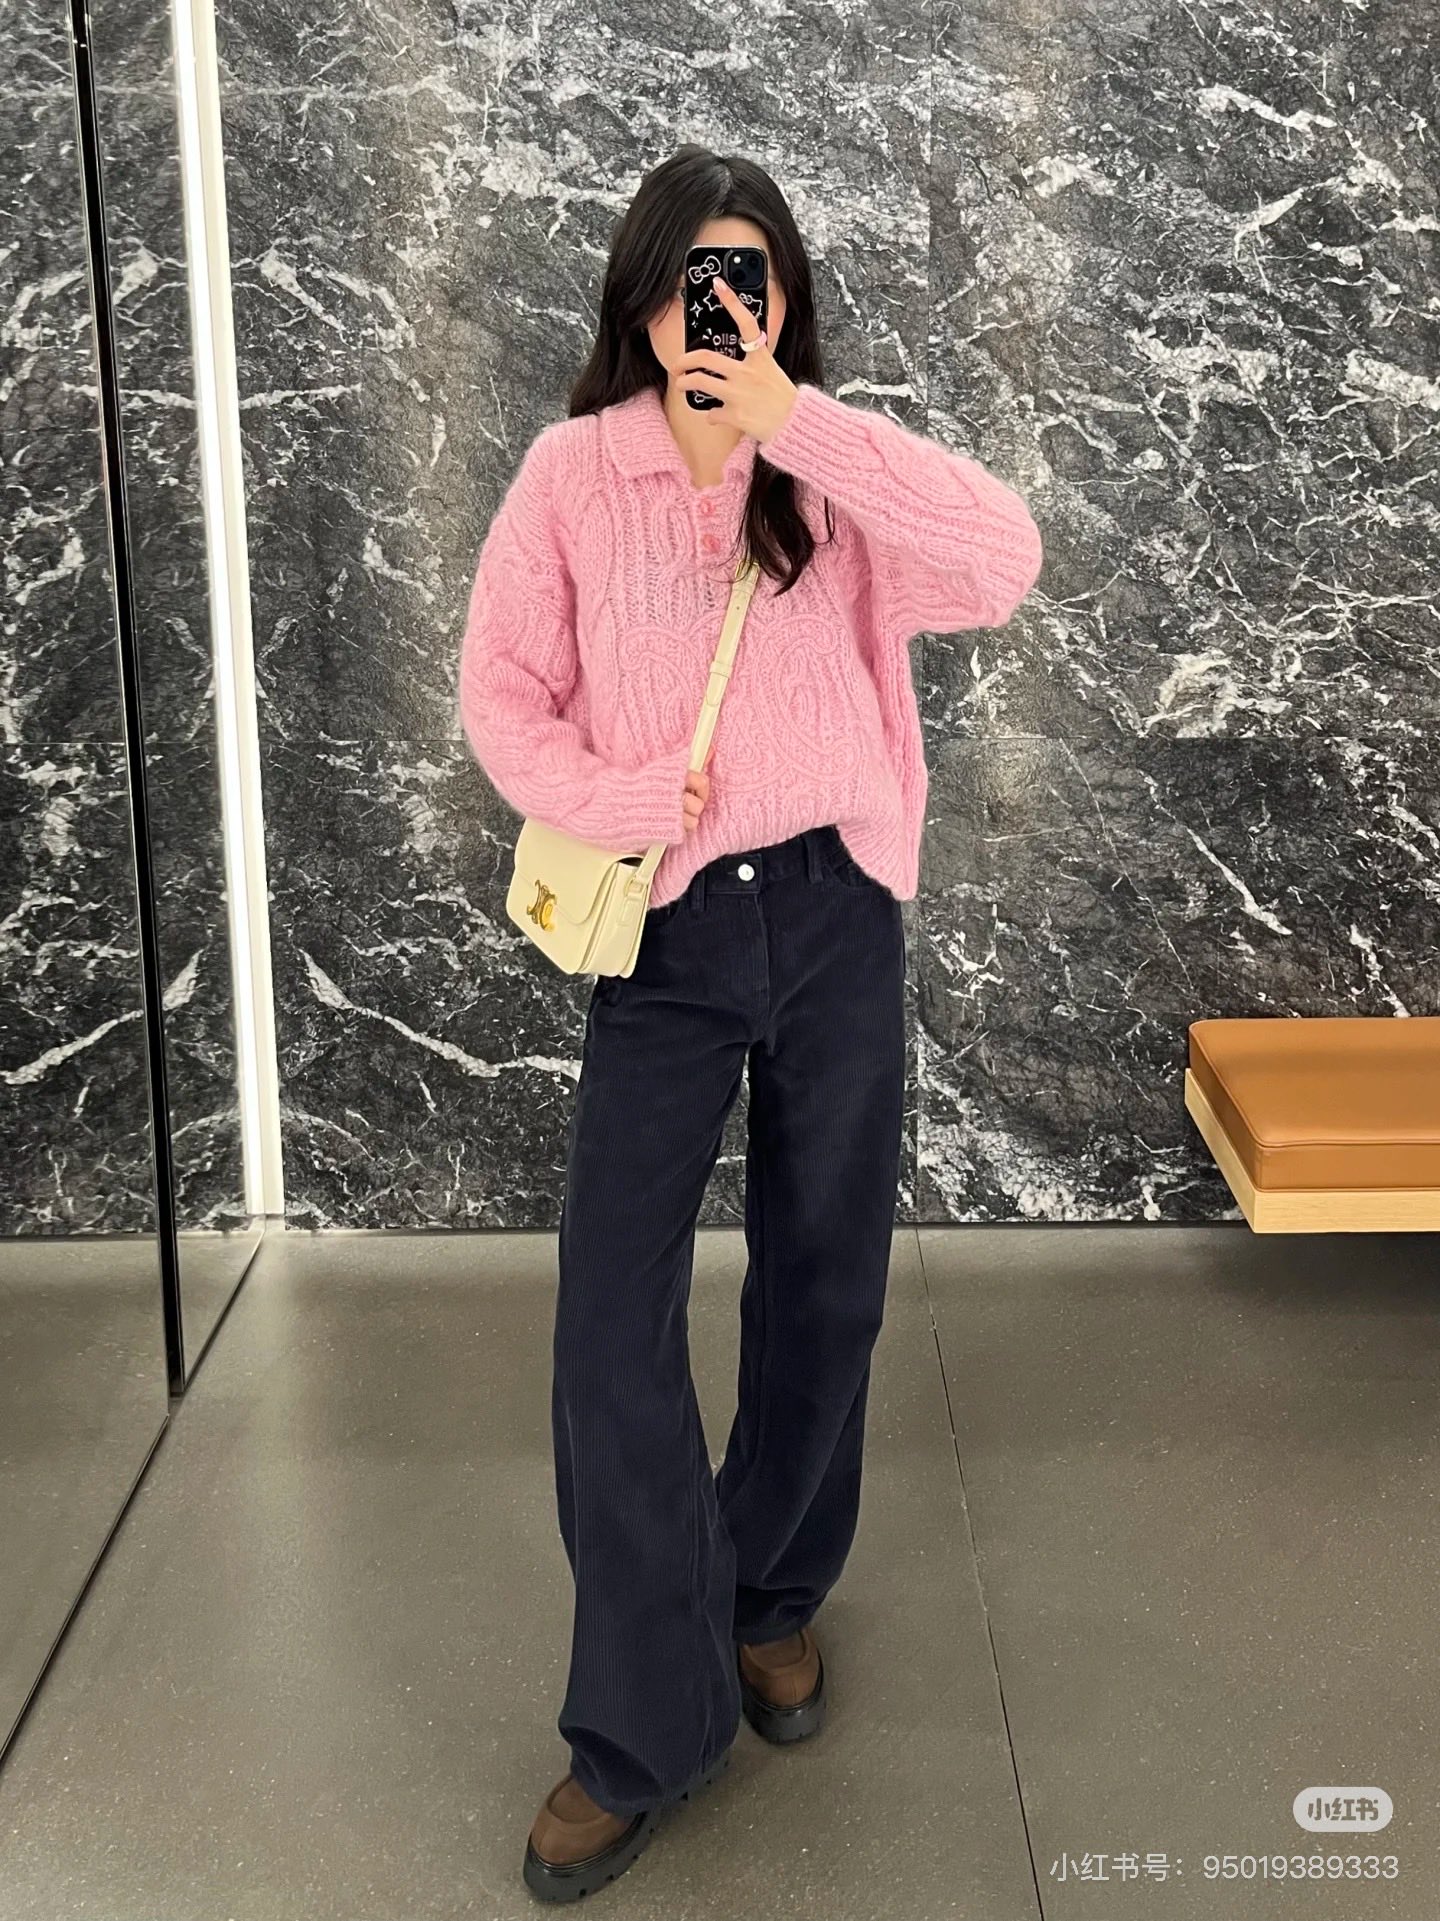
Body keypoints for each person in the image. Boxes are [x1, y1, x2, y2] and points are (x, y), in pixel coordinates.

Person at [457, 144, 1043, 1902]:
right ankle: (642, 1721)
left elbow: (1005, 557)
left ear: (783, 302)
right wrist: (625, 795)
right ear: (643, 303)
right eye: (696, 284)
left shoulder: (827, 473)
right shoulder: (573, 476)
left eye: (755, 281)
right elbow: (501, 697)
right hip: (667, 931)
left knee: (826, 1278)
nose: (723, 311)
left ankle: (773, 1593)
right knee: (608, 1319)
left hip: (839, 912)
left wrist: (800, 420)